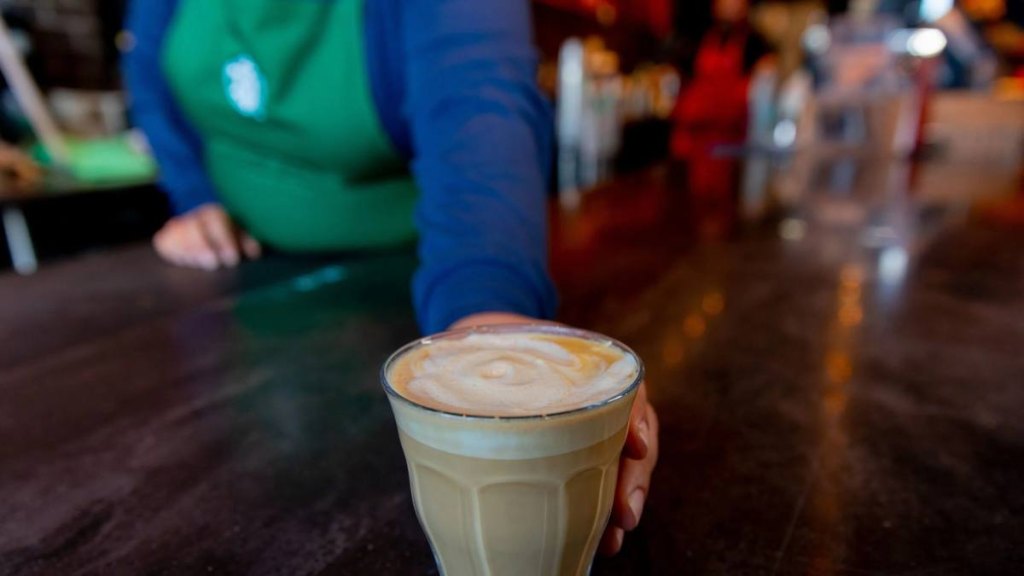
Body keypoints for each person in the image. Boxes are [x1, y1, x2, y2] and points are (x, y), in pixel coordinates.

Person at [122, 0, 657, 555]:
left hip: (407, 286)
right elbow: (147, 70)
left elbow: (477, 110)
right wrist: (192, 195)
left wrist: (488, 313)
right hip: (237, 282)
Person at [671, 0, 774, 157]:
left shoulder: (756, 44)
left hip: (732, 142)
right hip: (697, 138)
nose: (727, 4)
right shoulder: (700, 36)